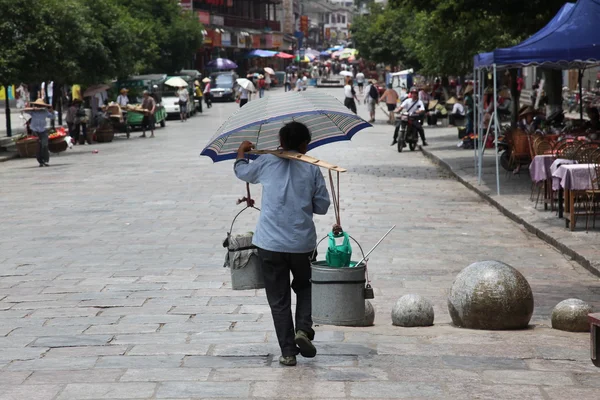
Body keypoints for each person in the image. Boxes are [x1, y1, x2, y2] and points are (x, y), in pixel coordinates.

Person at [234, 122, 330, 367]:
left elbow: (243, 172)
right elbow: (322, 207)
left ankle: (288, 352)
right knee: (307, 288)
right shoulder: (312, 168)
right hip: (302, 245)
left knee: (278, 299)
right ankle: (303, 330)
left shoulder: (266, 162)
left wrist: (242, 152)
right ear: (304, 144)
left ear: (280, 140)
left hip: (270, 244)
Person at [27, 99, 55, 167]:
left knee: (44, 145)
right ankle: (40, 161)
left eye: (40, 105)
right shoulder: (33, 112)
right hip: (34, 130)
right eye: (37, 105)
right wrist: (33, 108)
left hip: (43, 130)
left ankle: (46, 160)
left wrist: (52, 111)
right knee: (37, 147)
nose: (39, 106)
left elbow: (52, 117)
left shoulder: (45, 111)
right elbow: (26, 110)